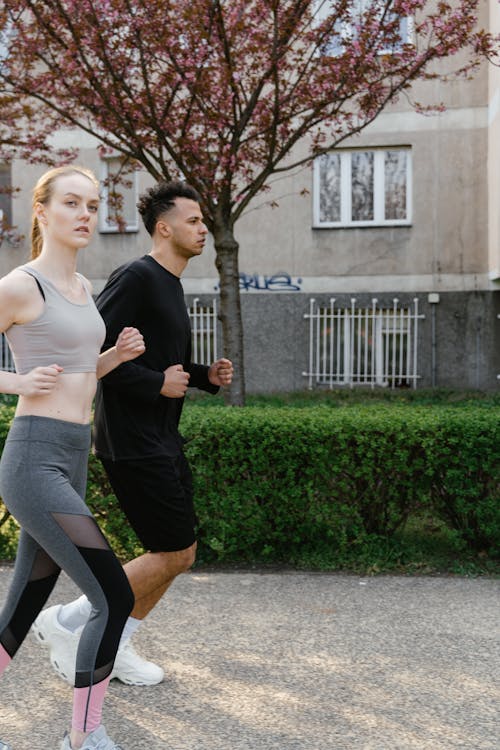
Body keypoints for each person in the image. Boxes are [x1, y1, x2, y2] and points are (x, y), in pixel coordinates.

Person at [32, 180, 233, 687]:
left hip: (160, 437)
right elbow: (88, 354)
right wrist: (156, 384)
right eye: (193, 220)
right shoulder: (137, 277)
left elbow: (159, 360)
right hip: (131, 442)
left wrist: (202, 375)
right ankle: (68, 620)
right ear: (164, 228)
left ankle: (114, 646)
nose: (202, 227)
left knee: (176, 554)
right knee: (174, 552)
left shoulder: (170, 282)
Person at [0, 165, 146, 750]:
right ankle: (85, 738)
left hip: (70, 456)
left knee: (23, 607)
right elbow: (34, 378)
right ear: (42, 212)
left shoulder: (84, 290)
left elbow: (80, 374)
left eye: (93, 205)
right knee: (114, 596)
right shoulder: (20, 285)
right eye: (72, 204)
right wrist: (14, 382)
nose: (85, 215)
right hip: (33, 460)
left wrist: (114, 357)